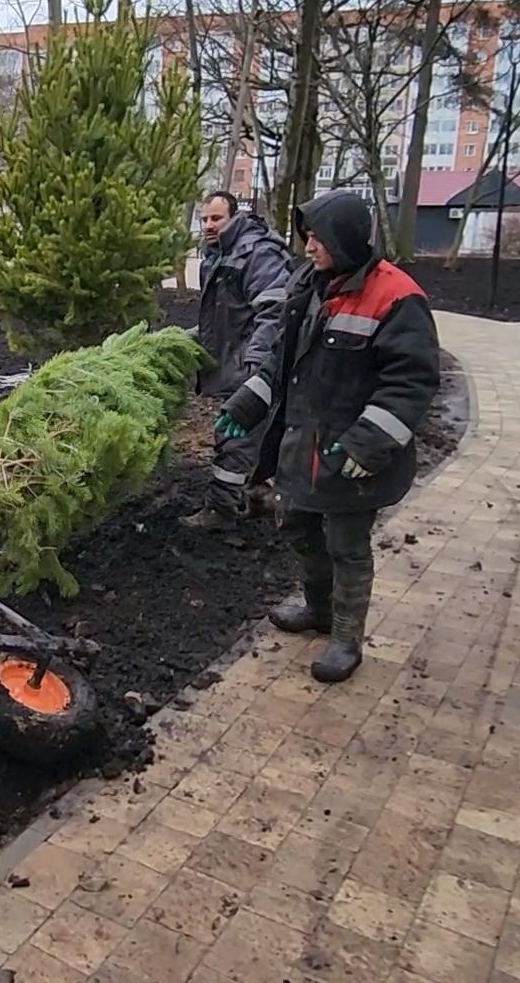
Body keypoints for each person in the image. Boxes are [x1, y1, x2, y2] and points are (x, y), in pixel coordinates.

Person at [213, 190, 439, 683]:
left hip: (349, 453)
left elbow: (412, 381)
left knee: (347, 544)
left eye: (317, 239)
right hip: (303, 445)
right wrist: (246, 404)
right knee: (296, 525)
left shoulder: (396, 298)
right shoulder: (310, 285)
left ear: (345, 239)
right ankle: (317, 607)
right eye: (307, 238)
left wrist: (369, 442)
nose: (308, 248)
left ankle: (345, 638)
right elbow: (280, 359)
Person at [183, 191, 291, 530]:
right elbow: (224, 317)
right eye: (204, 219)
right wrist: (189, 339)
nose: (209, 225)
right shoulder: (217, 256)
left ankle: (221, 510)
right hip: (238, 361)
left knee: (234, 435)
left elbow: (274, 313)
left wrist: (255, 368)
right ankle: (259, 496)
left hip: (252, 366)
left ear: (235, 217)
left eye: (217, 218)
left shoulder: (257, 253)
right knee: (253, 435)